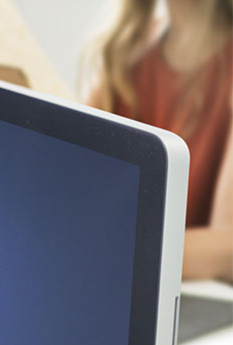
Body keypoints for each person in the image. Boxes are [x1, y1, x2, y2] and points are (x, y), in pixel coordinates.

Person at [87, 0, 233, 282]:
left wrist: (105, 253)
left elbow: (227, 247)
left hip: (178, 297)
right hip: (114, 282)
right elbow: (76, 180)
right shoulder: (125, 48)